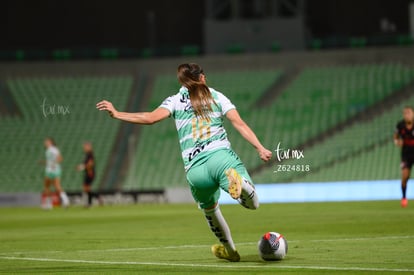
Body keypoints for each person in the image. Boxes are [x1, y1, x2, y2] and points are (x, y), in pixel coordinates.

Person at [96, 63, 272, 262]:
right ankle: (243, 187)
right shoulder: (216, 96)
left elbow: (150, 118)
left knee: (211, 210)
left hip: (195, 170)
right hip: (219, 157)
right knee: (252, 204)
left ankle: (230, 251)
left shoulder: (174, 100)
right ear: (202, 77)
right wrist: (260, 147)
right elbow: (239, 123)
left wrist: (117, 113)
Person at [394, 106, 414, 208]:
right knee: (405, 176)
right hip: (406, 154)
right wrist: (397, 141)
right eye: (405, 113)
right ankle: (404, 198)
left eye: (409, 113)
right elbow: (396, 136)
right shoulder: (400, 125)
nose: (407, 115)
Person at [42, 137, 70, 209]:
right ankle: (65, 200)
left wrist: (53, 164)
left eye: (47, 141)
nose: (45, 143)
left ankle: (49, 204)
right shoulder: (49, 150)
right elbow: (52, 160)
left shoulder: (53, 149)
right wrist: (46, 162)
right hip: (54, 169)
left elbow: (60, 158)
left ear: (51, 142)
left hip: (51, 170)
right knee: (55, 186)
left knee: (48, 186)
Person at [77, 141, 95, 207]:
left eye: (86, 146)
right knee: (86, 188)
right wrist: (81, 167)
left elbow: (90, 164)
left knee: (86, 188)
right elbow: (87, 164)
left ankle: (89, 202)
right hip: (88, 172)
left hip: (90, 172)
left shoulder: (90, 154)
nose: (84, 148)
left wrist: (82, 167)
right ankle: (87, 202)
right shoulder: (87, 154)